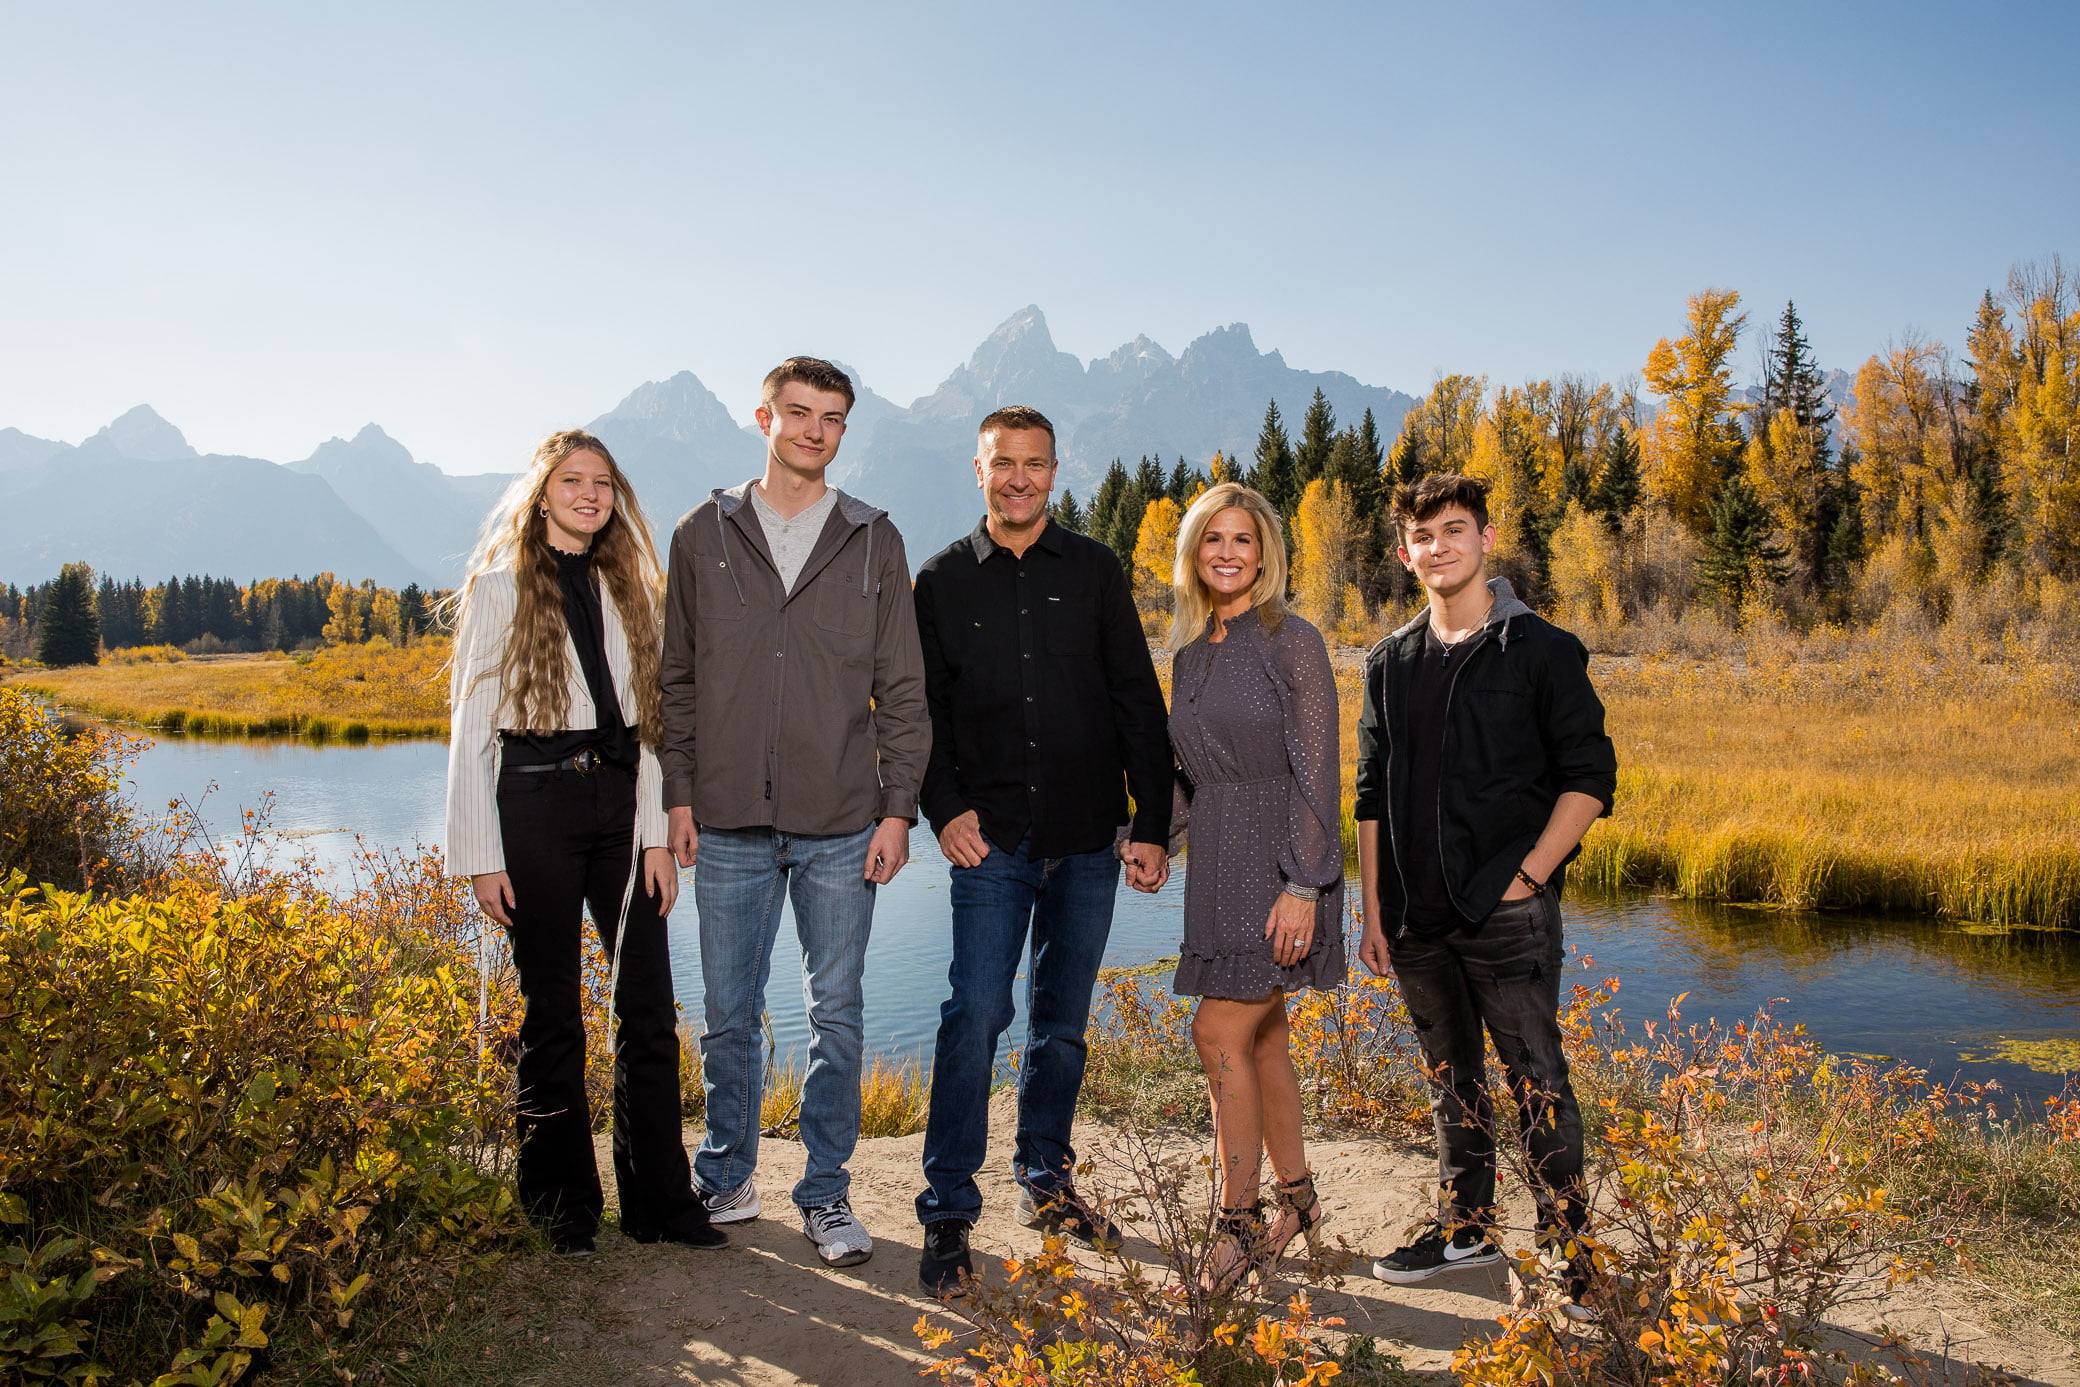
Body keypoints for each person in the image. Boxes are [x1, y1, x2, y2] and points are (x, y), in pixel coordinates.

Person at [660, 356, 929, 1269]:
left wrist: (899, 812)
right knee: (729, 1011)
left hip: (843, 819)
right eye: (800, 413)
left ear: (843, 431)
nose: (815, 430)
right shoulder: (703, 532)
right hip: (727, 817)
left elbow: (902, 688)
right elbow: (678, 680)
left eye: (833, 418)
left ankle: (824, 1192)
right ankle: (728, 1174)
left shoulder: (872, 538)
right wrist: (678, 794)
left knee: (838, 1013)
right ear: (764, 417)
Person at [911, 405, 1173, 1297]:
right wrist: (941, 809)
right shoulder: (941, 580)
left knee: (1061, 1024)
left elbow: (1137, 699)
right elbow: (923, 719)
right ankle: (948, 1207)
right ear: (976, 470)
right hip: (990, 845)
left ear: (1055, 470)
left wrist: (1150, 822)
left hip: (1089, 841)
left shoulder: (1095, 570)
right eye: (1002, 463)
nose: (1018, 477)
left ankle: (1045, 1178)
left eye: (1034, 463)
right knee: (976, 1013)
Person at [445, 428, 724, 1257]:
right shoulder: (498, 590)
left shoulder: (628, 587)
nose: (591, 493)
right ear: (542, 493)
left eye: (603, 482)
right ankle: (562, 1204)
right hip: (532, 806)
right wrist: (481, 854)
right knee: (553, 1012)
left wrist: (653, 841)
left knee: (647, 1006)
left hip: (618, 805)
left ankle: (659, 1201)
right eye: (574, 480)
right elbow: (469, 732)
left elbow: (647, 728)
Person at [1353, 472, 1617, 1315]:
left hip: (1507, 917)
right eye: (1424, 536)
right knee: (1450, 1081)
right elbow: (1368, 792)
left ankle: (1573, 1257)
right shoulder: (1388, 661)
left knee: (1537, 1081)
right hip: (1416, 920)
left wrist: (1529, 874)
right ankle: (1465, 1228)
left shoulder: (1540, 649)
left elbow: (1591, 778)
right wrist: (1373, 911)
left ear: (1485, 539)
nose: (1440, 547)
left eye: (1455, 530)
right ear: (1405, 552)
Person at [1164, 482, 1345, 1290]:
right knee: (1262, 1038)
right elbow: (1189, 774)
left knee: (1218, 1035)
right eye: (1213, 540)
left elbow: (1319, 771)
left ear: (1266, 552)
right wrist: (1152, 839)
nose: (1229, 553)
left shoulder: (1291, 640)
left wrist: (1304, 883)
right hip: (1216, 865)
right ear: (1194, 554)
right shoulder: (1189, 652)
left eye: (1243, 540)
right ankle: (1298, 1201)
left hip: (1280, 868)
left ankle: (1235, 1225)